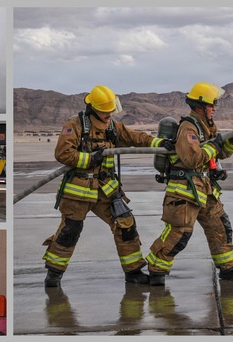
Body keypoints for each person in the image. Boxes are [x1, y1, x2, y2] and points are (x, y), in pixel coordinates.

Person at [43, 85, 174, 287]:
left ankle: (133, 271)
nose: (109, 114)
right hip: (78, 189)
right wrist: (89, 159)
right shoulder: (75, 125)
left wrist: (159, 143)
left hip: (106, 188)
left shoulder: (113, 126)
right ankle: (53, 275)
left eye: (111, 110)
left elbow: (135, 137)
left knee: (126, 225)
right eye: (105, 111)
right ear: (93, 108)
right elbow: (63, 154)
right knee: (70, 230)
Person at [145, 82, 233, 286]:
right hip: (185, 191)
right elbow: (192, 159)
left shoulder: (205, 127)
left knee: (220, 227)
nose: (214, 108)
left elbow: (220, 153)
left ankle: (228, 268)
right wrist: (214, 146)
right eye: (212, 105)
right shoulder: (188, 128)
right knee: (179, 233)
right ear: (200, 106)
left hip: (205, 188)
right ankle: (156, 269)